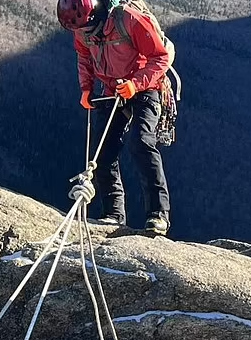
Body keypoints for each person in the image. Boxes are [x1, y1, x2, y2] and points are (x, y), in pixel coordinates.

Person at [57, 0, 171, 235]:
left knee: (141, 143)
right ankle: (113, 214)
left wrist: (136, 84)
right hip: (113, 90)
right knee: (102, 151)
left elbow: (159, 58)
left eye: (87, 29)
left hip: (147, 87)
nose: (84, 34)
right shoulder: (83, 28)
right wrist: (86, 88)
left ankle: (158, 214)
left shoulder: (129, 20)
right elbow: (84, 56)